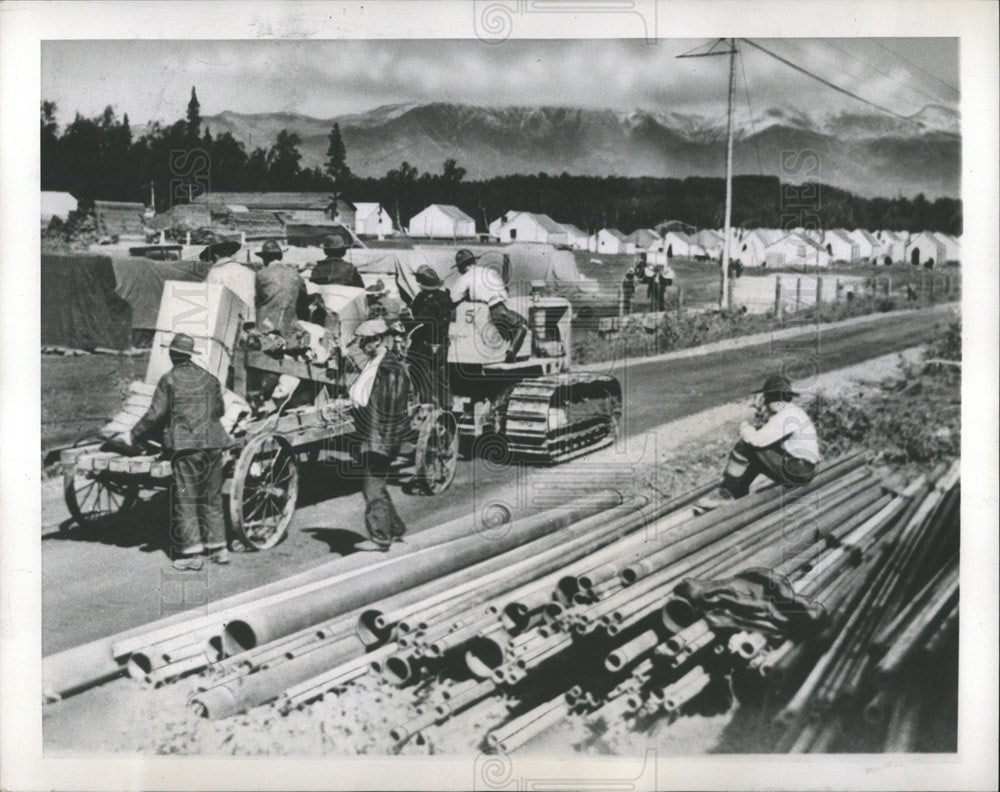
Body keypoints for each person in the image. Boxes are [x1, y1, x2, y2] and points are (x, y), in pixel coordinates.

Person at [130, 333, 235, 569]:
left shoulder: (169, 380)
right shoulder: (209, 379)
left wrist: (136, 434)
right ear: (190, 355)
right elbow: (219, 410)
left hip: (186, 449)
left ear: (172, 354)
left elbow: (154, 415)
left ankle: (191, 555)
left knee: (186, 498)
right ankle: (219, 550)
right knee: (212, 496)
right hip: (215, 445)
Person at [696, 374, 821, 512]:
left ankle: (728, 492)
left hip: (798, 469)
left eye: (767, 399)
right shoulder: (792, 412)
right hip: (803, 469)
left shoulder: (785, 416)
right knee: (758, 456)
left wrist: (744, 426)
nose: (766, 403)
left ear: (775, 399)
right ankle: (736, 492)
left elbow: (756, 441)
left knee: (746, 447)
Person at [349, 319, 411, 549]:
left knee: (372, 486)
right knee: (378, 483)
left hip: (380, 436)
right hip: (382, 435)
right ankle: (395, 527)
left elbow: (385, 407)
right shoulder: (382, 364)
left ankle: (381, 535)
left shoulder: (386, 371)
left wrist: (380, 440)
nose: (361, 347)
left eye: (363, 342)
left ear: (376, 341)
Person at [449, 248, 527, 363]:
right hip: (499, 306)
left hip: (489, 309)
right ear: (473, 262)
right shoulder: (490, 272)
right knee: (522, 325)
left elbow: (454, 297)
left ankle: (510, 353)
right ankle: (511, 351)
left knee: (519, 327)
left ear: (462, 267)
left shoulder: (465, 278)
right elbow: (504, 292)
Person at [406, 264, 452, 407]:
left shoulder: (428, 301)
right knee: (441, 378)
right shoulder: (445, 297)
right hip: (442, 343)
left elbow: (420, 321)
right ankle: (446, 408)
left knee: (424, 377)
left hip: (426, 345)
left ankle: (428, 406)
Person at [254, 239, 309, 340]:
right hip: (288, 329)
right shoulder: (296, 275)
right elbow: (304, 303)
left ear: (264, 259)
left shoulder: (260, 274)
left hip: (265, 328)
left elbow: (256, 301)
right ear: (280, 256)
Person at [203, 234, 255, 322]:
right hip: (249, 320)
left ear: (215, 255)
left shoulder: (215, 273)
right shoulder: (249, 271)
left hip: (228, 323)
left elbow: (207, 300)